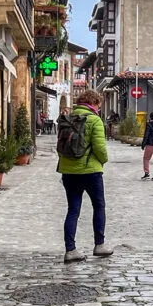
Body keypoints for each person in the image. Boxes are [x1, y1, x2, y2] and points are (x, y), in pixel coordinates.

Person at [58, 89, 112, 263]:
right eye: (99, 105)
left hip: (68, 172)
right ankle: (99, 245)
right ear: (94, 103)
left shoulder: (67, 119)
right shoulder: (94, 120)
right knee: (99, 206)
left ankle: (70, 250)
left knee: (73, 210)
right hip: (90, 172)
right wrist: (104, 160)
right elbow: (100, 149)